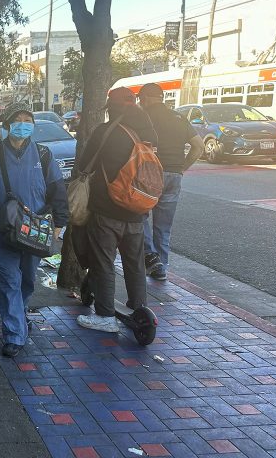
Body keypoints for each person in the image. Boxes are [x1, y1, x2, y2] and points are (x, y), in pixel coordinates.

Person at [0, 104, 68, 357]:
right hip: (1, 228)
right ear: (7, 124)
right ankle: (14, 334)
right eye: (18, 119)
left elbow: (58, 190)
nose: (23, 124)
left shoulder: (44, 155)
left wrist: (59, 223)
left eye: (28, 120)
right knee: (9, 281)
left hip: (34, 231)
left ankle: (19, 314)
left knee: (27, 279)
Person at [76, 87, 158, 333]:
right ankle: (138, 307)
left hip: (107, 211)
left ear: (111, 107)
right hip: (137, 211)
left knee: (104, 263)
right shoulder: (148, 134)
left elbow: (84, 165)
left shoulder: (105, 132)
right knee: (135, 264)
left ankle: (104, 316)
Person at [137, 82, 204, 280]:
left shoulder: (144, 118)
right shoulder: (179, 117)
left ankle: (150, 256)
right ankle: (161, 268)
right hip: (174, 175)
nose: (141, 103)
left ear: (146, 99)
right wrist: (182, 167)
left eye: (141, 99)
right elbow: (198, 146)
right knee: (163, 226)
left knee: (139, 216)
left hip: (150, 174)